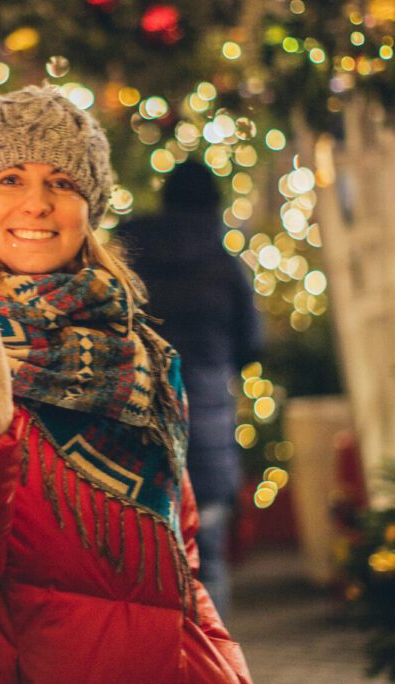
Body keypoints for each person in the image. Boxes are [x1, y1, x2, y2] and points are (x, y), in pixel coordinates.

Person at [0, 85, 251, 683]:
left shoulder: (140, 351)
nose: (37, 204)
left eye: (62, 183)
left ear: (89, 207)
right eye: (10, 179)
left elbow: (179, 566)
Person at [119, 160, 262, 618]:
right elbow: (252, 343)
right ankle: (210, 650)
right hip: (206, 423)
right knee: (208, 559)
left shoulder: (127, 257)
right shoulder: (223, 265)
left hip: (135, 423)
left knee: (139, 563)